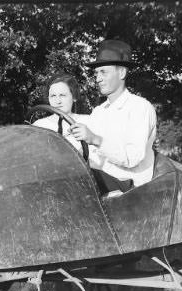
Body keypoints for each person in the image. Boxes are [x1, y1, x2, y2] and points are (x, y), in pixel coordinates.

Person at [70, 40, 157, 191]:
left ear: (122, 73)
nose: (97, 78)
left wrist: (96, 139)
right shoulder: (99, 111)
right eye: (96, 73)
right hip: (100, 184)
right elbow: (84, 149)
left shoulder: (140, 107)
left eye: (103, 72)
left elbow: (132, 158)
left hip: (130, 189)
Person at [32, 74, 89, 151]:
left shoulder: (88, 121)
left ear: (74, 97)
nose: (58, 101)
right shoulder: (39, 126)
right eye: (53, 96)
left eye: (62, 95)